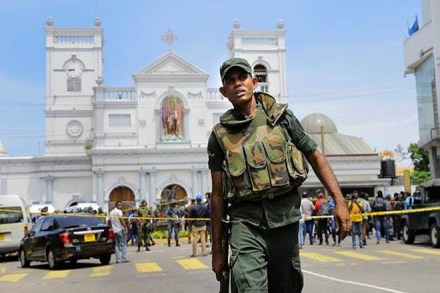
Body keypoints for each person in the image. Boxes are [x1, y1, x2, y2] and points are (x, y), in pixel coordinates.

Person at [208, 57, 352, 293]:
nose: (237, 84)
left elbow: (316, 157)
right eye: (230, 81)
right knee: (249, 286)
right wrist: (217, 249)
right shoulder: (219, 136)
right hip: (246, 223)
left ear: (254, 82)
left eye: (242, 77)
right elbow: (216, 196)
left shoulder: (282, 118)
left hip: (284, 220)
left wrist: (340, 202)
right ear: (224, 91)